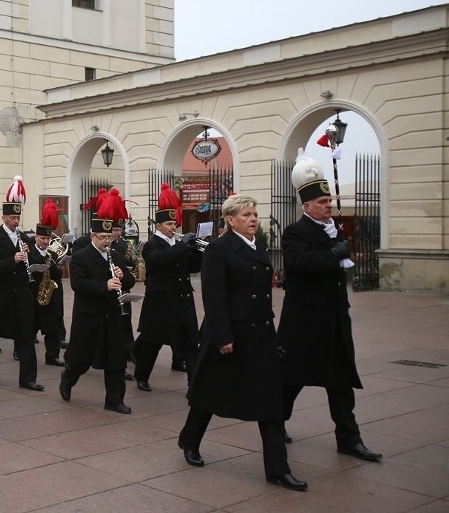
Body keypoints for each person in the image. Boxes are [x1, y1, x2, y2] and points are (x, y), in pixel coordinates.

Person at [178, 194, 307, 491]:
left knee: (269, 400)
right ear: (231, 219)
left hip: (259, 335)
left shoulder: (258, 247)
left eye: (254, 214)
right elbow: (214, 296)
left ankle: (277, 468)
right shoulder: (219, 249)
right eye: (247, 214)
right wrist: (223, 337)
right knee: (209, 393)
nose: (253, 219)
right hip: (229, 334)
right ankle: (189, 439)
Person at [277, 151, 381, 461]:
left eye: (329, 202)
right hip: (305, 321)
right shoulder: (295, 232)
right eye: (322, 203)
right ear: (307, 206)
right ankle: (275, 422)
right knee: (291, 379)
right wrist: (334, 253)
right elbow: (297, 264)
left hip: (334, 319)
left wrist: (341, 251)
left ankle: (349, 438)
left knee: (340, 382)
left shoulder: (332, 229)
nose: (328, 206)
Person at [59, 188, 136, 414]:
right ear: (92, 236)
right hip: (89, 316)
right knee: (81, 359)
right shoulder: (81, 257)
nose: (107, 242)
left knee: (116, 359)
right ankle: (68, 378)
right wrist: (104, 286)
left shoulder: (116, 254)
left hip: (112, 315)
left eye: (109, 238)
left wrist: (124, 277)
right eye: (102, 238)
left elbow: (130, 279)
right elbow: (78, 284)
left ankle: (114, 400)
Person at [133, 183, 202, 390]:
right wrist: (183, 246)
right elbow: (158, 261)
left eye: (175, 223)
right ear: (159, 226)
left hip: (182, 301)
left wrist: (197, 251)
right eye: (169, 224)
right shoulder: (152, 245)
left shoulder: (177, 245)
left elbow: (192, 268)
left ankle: (195, 382)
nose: (174, 227)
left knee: (190, 343)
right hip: (161, 302)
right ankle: (141, 376)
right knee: (152, 342)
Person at [0, 175, 44, 391]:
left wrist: (30, 257)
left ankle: (27, 378)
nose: (16, 221)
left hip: (22, 294)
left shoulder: (24, 238)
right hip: (0, 294)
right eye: (12, 218)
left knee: (26, 335)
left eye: (18, 217)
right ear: (4, 218)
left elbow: (33, 262)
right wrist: (12, 260)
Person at [30, 199, 65, 367]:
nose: (45, 241)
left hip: (48, 294)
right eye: (42, 238)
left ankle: (52, 356)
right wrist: (42, 259)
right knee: (29, 327)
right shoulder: (29, 251)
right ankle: (20, 351)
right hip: (32, 293)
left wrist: (52, 263)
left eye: (48, 238)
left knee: (52, 328)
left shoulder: (53, 253)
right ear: (36, 237)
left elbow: (58, 274)